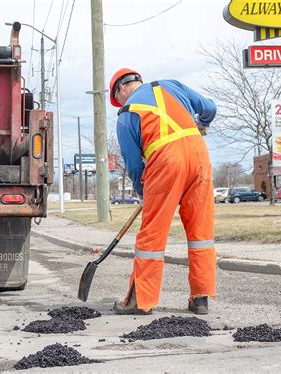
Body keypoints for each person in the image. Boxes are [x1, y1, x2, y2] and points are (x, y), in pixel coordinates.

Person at [109, 68, 217, 315]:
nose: (121, 102)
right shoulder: (172, 85)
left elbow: (135, 165)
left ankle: (141, 301)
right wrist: (202, 125)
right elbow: (210, 108)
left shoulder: (126, 115)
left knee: (152, 236)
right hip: (200, 157)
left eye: (118, 97)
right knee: (202, 233)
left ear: (121, 89)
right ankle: (201, 299)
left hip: (166, 162)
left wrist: (142, 190)